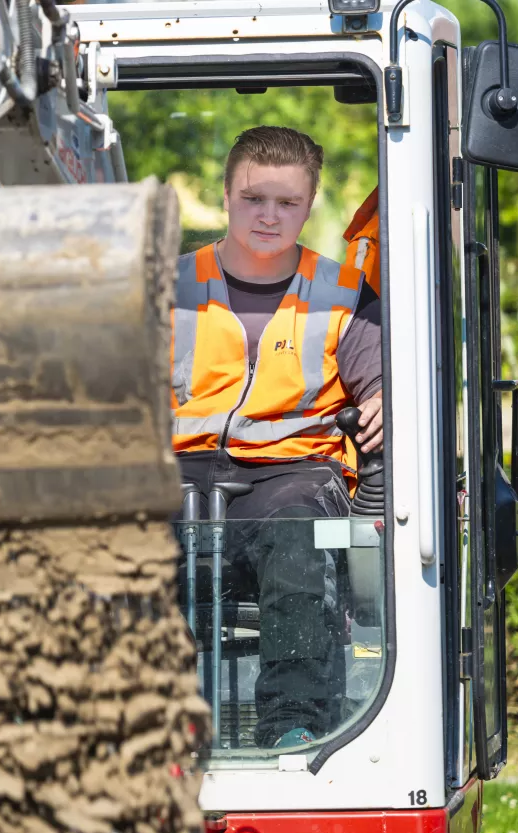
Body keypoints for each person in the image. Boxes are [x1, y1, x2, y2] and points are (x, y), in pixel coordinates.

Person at [171, 126, 383, 750]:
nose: (269, 215)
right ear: (227, 197)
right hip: (178, 472)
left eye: (287, 203)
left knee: (299, 542)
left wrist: (383, 399)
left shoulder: (344, 294)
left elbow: (379, 379)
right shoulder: (168, 285)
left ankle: (293, 725)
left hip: (292, 475)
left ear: (309, 204)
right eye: (253, 199)